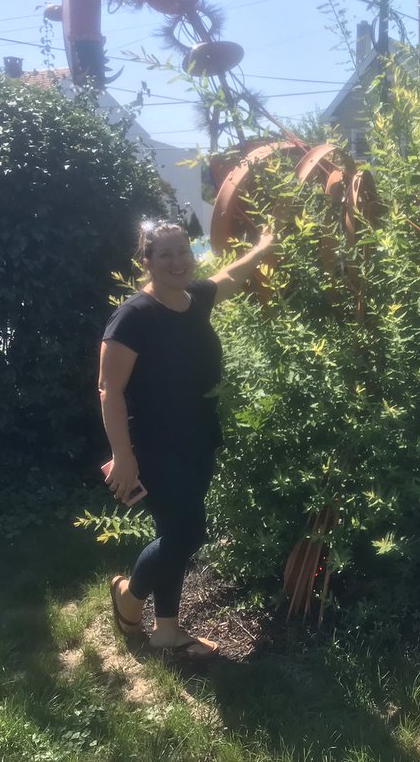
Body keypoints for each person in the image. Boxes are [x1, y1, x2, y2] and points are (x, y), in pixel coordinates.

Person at [100, 220, 274, 658]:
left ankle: (167, 631)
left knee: (174, 531)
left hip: (198, 437)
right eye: (166, 255)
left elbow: (230, 276)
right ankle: (128, 598)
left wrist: (265, 245)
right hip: (154, 445)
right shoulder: (134, 315)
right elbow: (110, 389)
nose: (178, 262)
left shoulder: (194, 300)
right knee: (186, 532)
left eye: (183, 252)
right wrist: (123, 457)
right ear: (147, 262)